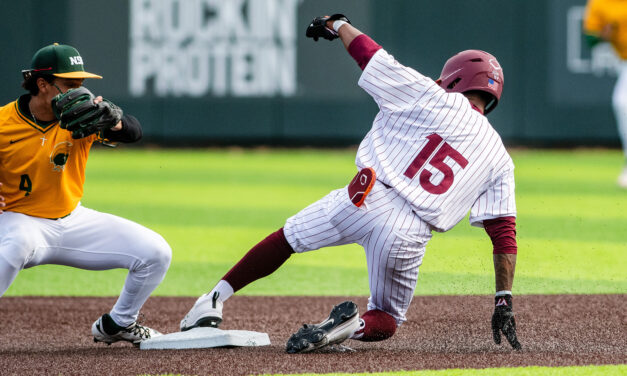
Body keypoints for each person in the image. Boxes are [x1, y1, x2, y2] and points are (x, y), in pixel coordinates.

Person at [180, 14, 521, 353]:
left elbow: (370, 55)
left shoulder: (430, 94)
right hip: (408, 233)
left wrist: (337, 24)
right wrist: (503, 300)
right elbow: (503, 231)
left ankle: (212, 300)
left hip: (363, 197)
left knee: (287, 239)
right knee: (385, 318)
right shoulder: (500, 158)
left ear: (453, 79)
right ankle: (350, 327)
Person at [0, 43, 172, 346]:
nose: (79, 91)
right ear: (42, 84)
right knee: (16, 246)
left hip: (72, 221)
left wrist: (114, 121)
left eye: (81, 83)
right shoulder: (3, 123)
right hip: (19, 221)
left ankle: (118, 323)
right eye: (69, 84)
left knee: (155, 253)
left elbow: (134, 132)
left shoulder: (83, 116)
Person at [583, 0, 627, 188]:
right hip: (624, 61)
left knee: (622, 101)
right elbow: (590, 38)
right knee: (623, 103)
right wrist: (602, 35)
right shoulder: (600, 3)